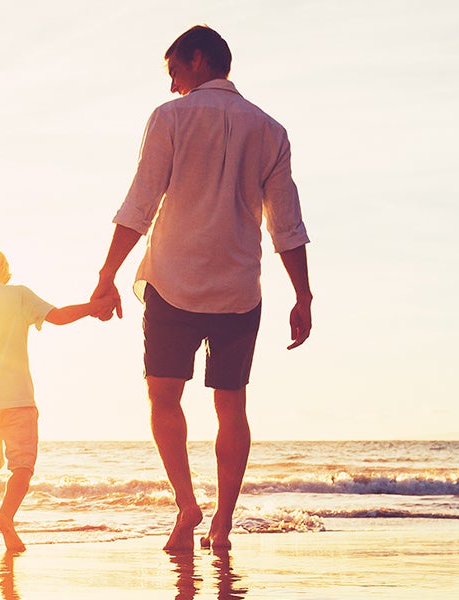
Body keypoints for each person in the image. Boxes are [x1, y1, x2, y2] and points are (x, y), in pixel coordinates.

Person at [90, 25, 314, 553]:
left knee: (162, 397)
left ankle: (187, 502)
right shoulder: (271, 129)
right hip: (239, 288)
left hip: (172, 283)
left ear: (197, 59)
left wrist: (107, 273)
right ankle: (222, 522)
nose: (172, 86)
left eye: (174, 72)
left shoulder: (171, 117)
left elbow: (140, 204)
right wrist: (303, 295)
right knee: (231, 405)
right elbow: (287, 223)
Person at [0, 244, 115, 554]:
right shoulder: (18, 295)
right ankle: (6, 517)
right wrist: (95, 306)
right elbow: (60, 317)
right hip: (16, 400)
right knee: (22, 467)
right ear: (0, 270)